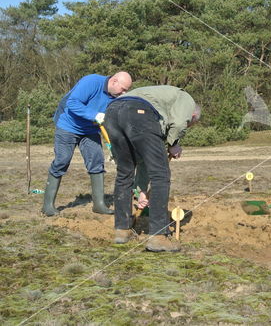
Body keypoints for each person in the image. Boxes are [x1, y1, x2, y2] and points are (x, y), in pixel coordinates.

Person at [104, 85, 200, 252]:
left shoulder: (155, 99)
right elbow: (178, 123)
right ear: (192, 116)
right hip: (138, 113)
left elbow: (142, 161)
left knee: (124, 174)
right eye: (189, 124)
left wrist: (141, 190)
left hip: (112, 113)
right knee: (161, 175)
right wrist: (174, 143)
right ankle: (158, 236)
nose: (187, 127)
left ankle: (122, 229)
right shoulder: (187, 100)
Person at [42, 72, 132, 216]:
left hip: (90, 130)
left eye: (126, 90)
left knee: (97, 162)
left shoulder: (115, 97)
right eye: (123, 89)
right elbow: (72, 103)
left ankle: (99, 205)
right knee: (62, 161)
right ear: (114, 81)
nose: (124, 93)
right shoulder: (91, 82)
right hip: (68, 126)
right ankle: (47, 206)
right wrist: (94, 115)